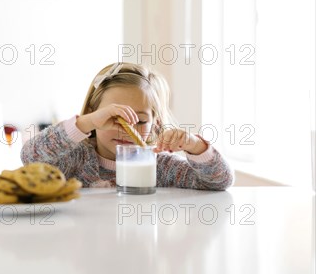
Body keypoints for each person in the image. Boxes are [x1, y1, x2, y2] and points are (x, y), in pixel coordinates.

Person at [21, 62, 234, 189]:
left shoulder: (158, 166)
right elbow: (30, 156)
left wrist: (194, 145)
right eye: (114, 118)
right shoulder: (76, 159)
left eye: (140, 120)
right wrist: (86, 123)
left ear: (155, 123)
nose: (126, 128)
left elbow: (219, 181)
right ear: (94, 116)